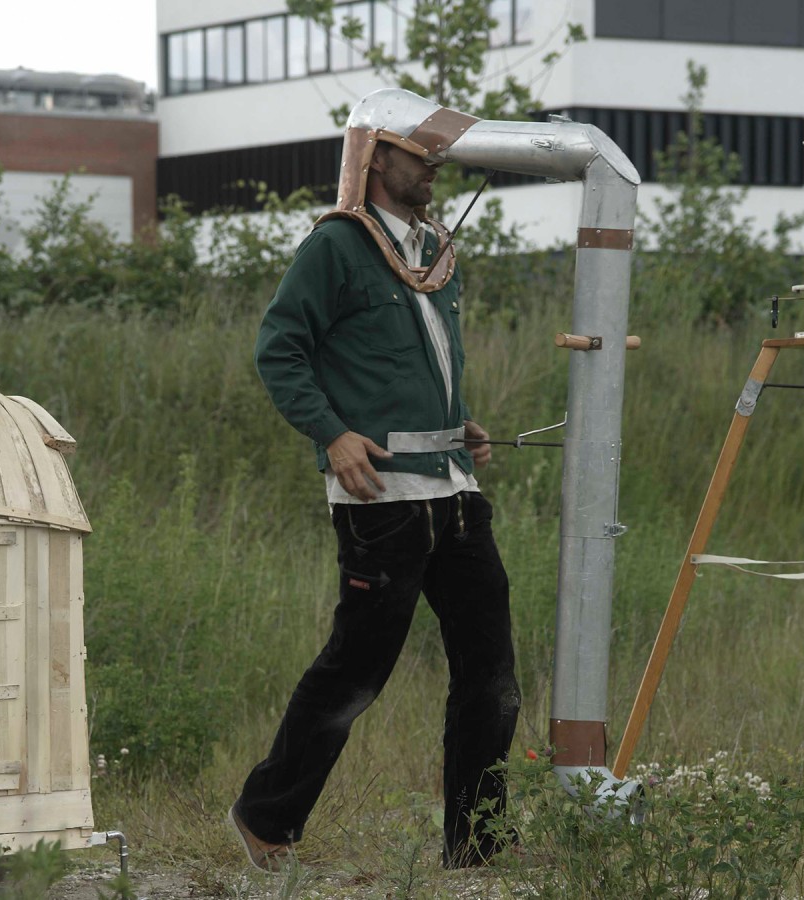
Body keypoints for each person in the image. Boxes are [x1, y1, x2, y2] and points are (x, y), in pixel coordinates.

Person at [228, 121, 520, 872]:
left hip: (455, 491)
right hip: (381, 500)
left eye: (436, 157)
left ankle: (477, 845)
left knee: (492, 675)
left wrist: (459, 427)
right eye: (419, 155)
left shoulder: (433, 249)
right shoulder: (337, 244)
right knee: (357, 672)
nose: (434, 168)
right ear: (376, 156)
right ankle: (266, 817)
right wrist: (331, 433)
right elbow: (280, 347)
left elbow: (409, 365)